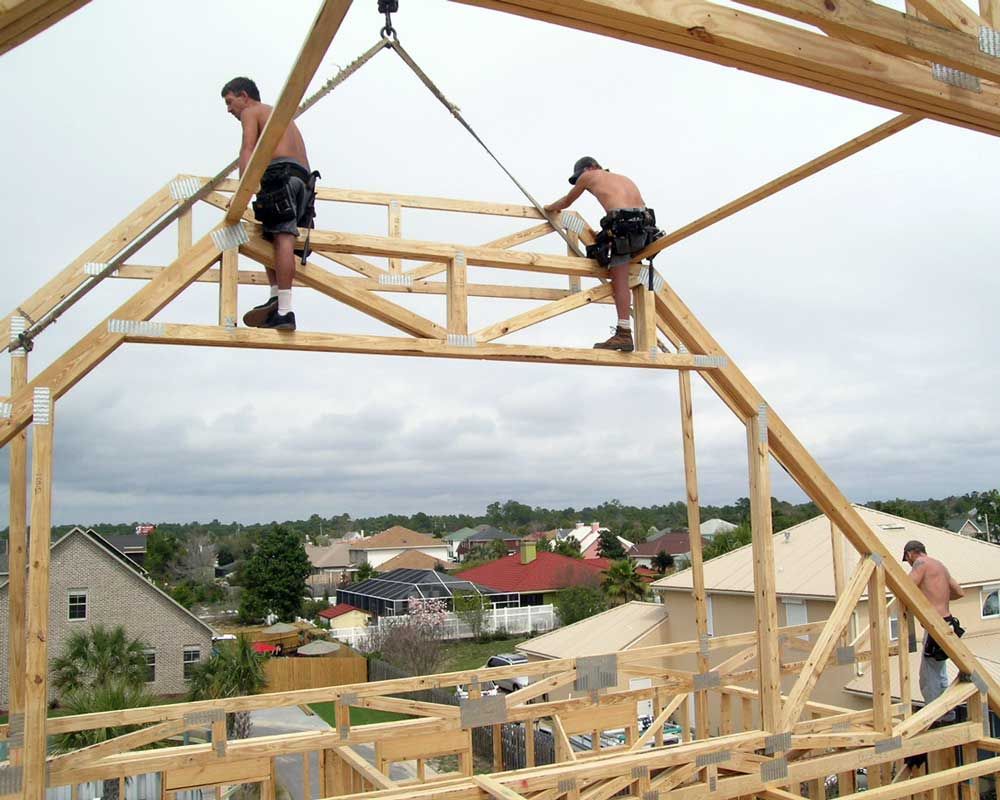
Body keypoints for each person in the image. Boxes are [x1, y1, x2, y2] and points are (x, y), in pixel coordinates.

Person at [221, 76, 317, 331]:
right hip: (303, 182)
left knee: (282, 236)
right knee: (270, 234)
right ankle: (276, 298)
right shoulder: (280, 116)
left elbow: (248, 150)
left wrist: (242, 191)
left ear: (244, 95)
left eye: (230, 102)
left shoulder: (251, 112)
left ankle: (285, 310)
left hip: (280, 176)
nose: (229, 109)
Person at [544, 157, 663, 352]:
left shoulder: (590, 175)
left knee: (619, 281)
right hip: (644, 231)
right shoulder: (624, 178)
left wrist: (549, 208)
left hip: (624, 230)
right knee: (625, 268)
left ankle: (623, 333)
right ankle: (626, 331)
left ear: (591, 167)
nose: (582, 182)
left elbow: (566, 201)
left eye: (579, 175)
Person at [903, 540, 966, 724]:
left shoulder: (920, 564)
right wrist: (937, 596)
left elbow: (905, 585)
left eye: (907, 560)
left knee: (928, 675)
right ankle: (946, 713)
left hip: (936, 625)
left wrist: (924, 600)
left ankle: (936, 715)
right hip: (948, 623)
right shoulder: (939, 565)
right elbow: (959, 592)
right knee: (938, 672)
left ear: (909, 554)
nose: (909, 564)